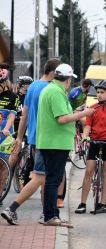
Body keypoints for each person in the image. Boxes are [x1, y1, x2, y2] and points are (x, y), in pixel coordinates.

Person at [1, 58, 62, 225]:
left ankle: (46, 213)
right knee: (41, 178)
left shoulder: (33, 86)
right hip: (47, 139)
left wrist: (20, 137)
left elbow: (24, 115)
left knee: (44, 177)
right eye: (59, 74)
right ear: (52, 73)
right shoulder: (51, 88)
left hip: (34, 137)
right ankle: (14, 209)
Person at [36, 64, 94, 226]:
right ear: (68, 79)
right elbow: (61, 119)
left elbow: (64, 115)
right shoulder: (55, 92)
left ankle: (52, 214)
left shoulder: (53, 90)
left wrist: (76, 112)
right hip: (55, 143)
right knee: (54, 180)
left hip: (52, 142)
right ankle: (50, 216)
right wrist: (84, 113)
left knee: (52, 179)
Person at [75, 80, 106, 215]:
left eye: (102, 92)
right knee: (89, 171)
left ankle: (102, 203)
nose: (99, 95)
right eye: (98, 92)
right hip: (95, 141)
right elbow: (88, 126)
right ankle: (82, 203)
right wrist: (84, 136)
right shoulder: (92, 108)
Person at [0, 68, 19, 207]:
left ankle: (0, 194)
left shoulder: (13, 97)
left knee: (3, 167)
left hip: (5, 135)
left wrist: (6, 128)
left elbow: (12, 115)